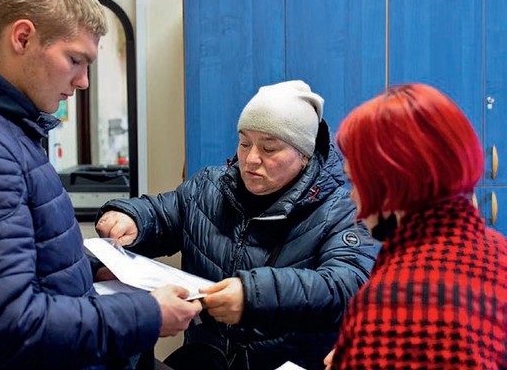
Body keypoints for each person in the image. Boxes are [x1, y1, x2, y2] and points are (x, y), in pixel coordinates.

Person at [0, 0, 202, 369]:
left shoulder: (6, 131)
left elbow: (26, 259)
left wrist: (94, 269)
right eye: (75, 60)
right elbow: (3, 326)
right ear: (22, 38)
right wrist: (148, 313)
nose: (84, 81)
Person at [95, 80, 379, 370]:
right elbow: (162, 214)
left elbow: (347, 287)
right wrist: (129, 218)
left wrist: (253, 295)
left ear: (304, 156)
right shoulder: (209, 187)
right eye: (244, 143)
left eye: (269, 148)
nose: (251, 159)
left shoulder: (342, 211)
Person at [327, 83, 507, 369]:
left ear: (389, 183)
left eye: (355, 181)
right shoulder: (498, 251)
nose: (353, 199)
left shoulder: (392, 306)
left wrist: (365, 346)